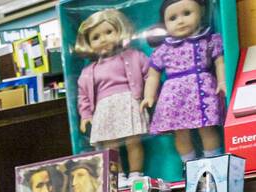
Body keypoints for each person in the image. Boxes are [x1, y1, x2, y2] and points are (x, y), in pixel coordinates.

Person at [143, 0, 227, 162]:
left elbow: (219, 62)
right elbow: (152, 75)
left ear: (201, 12)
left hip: (202, 90)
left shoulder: (207, 40)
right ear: (165, 24)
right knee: (180, 133)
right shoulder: (163, 49)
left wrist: (222, 82)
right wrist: (149, 96)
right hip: (174, 97)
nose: (180, 21)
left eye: (187, 13)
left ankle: (214, 162)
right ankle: (189, 165)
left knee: (207, 129)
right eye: (172, 18)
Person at [75, 8, 151, 173]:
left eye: (108, 32)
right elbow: (83, 96)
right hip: (104, 110)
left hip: (128, 104)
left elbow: (149, 75)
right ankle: (118, 177)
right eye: (95, 37)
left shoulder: (134, 56)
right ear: (88, 43)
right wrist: (86, 115)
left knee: (133, 142)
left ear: (120, 31)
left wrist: (150, 95)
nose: (103, 39)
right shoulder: (89, 71)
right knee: (111, 147)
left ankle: (136, 173)